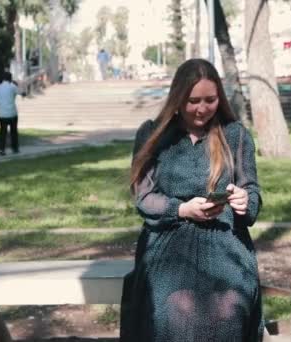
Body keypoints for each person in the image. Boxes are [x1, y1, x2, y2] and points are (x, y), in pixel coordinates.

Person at [120, 58, 264, 341]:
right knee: (172, 308)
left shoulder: (235, 135)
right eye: (193, 100)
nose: (202, 108)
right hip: (168, 242)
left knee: (231, 307)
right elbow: (144, 198)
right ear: (177, 97)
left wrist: (245, 201)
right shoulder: (153, 134)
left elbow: (253, 195)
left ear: (219, 97)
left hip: (227, 244)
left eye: (210, 100)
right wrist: (182, 209)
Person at [0, 71, 19, 156]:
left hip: (2, 114)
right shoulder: (13, 86)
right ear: (10, 78)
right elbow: (19, 93)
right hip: (12, 113)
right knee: (13, 131)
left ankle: (1, 149)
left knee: (2, 132)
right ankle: (14, 148)